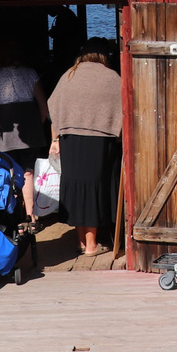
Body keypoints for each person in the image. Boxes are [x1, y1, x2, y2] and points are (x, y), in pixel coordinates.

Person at [47, 39, 122, 256]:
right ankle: (91, 245)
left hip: (70, 139)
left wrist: (55, 139)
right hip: (99, 140)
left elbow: (54, 105)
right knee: (94, 189)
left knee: (77, 187)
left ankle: (81, 242)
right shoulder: (111, 77)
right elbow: (123, 105)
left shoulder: (69, 75)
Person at [0, 39, 50, 173]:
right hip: (30, 128)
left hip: (2, 128)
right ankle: (27, 195)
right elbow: (43, 106)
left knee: (6, 169)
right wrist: (37, 125)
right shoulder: (31, 74)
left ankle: (13, 194)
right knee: (28, 170)